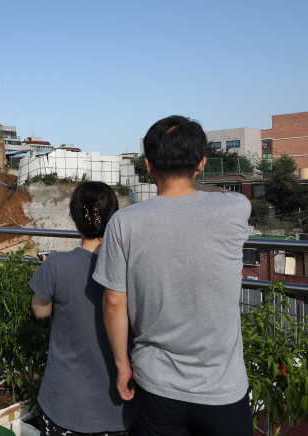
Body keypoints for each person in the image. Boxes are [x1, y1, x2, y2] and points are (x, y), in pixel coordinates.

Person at [95, 115, 253, 436]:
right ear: (202, 164)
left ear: (148, 165)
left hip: (156, 385)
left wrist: (122, 366)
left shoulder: (124, 223)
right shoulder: (236, 206)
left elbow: (113, 302)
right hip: (223, 388)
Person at [30, 181, 135, 436]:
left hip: (64, 406)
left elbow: (40, 311)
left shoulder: (56, 264)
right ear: (113, 216)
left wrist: (48, 275)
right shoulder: (130, 267)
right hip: (120, 410)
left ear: (76, 219)